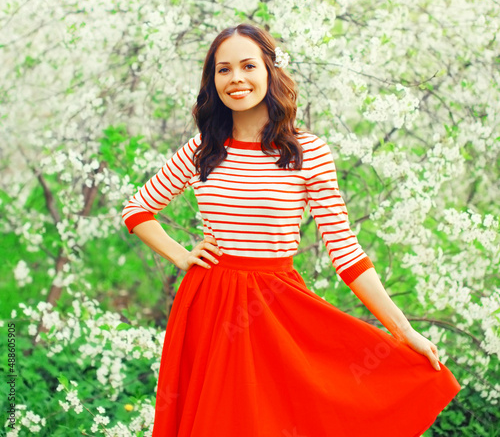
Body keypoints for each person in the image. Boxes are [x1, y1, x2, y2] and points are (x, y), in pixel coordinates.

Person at [122, 23, 461, 437]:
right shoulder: (202, 150)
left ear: (270, 69)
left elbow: (346, 253)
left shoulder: (307, 152)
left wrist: (404, 331)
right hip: (207, 306)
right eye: (223, 70)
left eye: (248, 65)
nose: (236, 79)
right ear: (212, 79)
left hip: (274, 309)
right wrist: (180, 254)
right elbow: (138, 208)